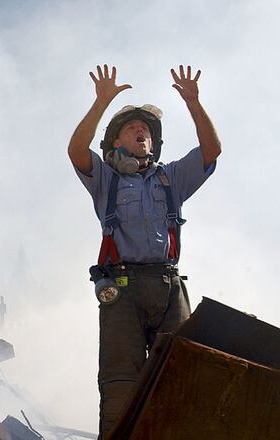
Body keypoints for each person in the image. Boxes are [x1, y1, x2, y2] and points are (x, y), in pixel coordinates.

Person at [67, 65, 221, 436]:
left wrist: (194, 103)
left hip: (169, 287)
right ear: (116, 142)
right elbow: (76, 151)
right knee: (121, 384)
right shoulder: (106, 179)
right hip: (122, 290)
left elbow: (211, 150)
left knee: (181, 375)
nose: (142, 131)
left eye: (147, 130)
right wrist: (101, 103)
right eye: (132, 128)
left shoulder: (171, 177)